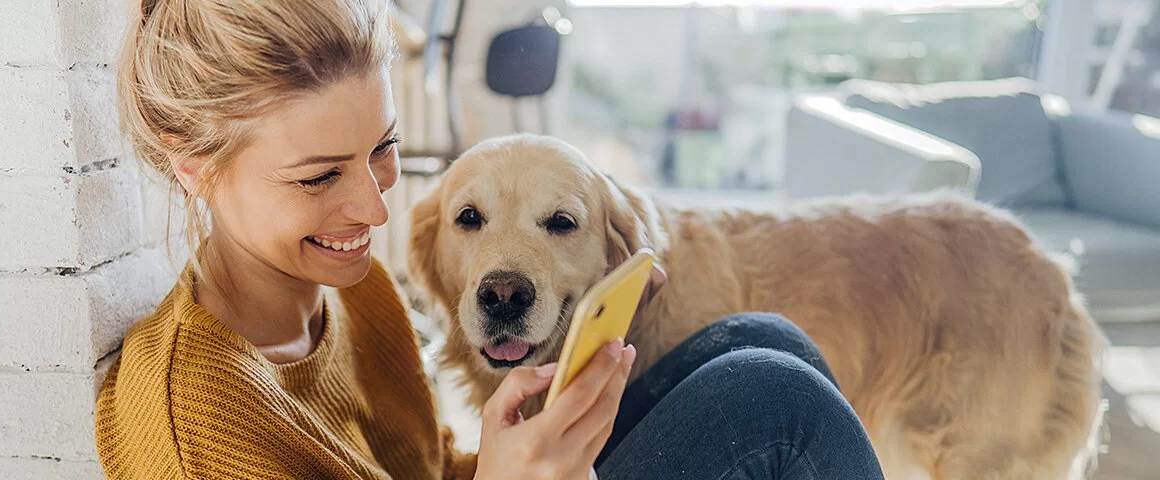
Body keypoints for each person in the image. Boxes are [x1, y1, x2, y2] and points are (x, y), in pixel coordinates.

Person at [95, 1, 886, 478]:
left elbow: (433, 469)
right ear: (195, 169)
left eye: (382, 151)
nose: (375, 210)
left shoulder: (350, 288)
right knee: (773, 402)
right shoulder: (194, 423)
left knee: (754, 341)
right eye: (318, 177)